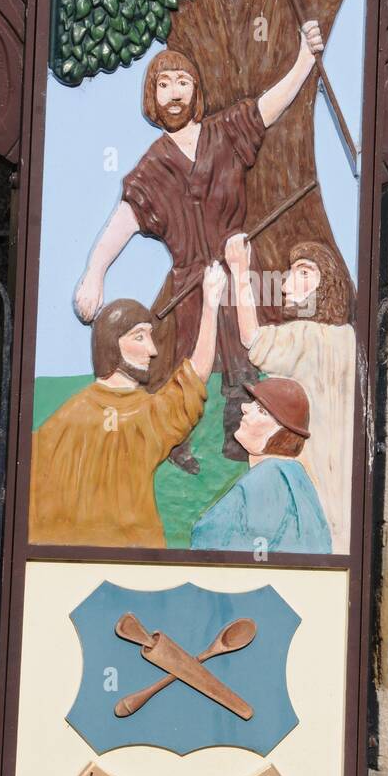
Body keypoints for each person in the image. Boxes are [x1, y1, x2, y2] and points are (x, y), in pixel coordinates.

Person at [73, 21, 325, 468]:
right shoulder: (152, 167)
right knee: (183, 356)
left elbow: (269, 106)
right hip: (190, 279)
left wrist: (305, 58)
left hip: (238, 265)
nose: (174, 93)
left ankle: (237, 435)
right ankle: (174, 440)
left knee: (243, 353)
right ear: (152, 96)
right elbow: (121, 223)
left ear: (195, 91)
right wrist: (94, 274)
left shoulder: (226, 132)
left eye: (182, 83)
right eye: (164, 84)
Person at [30, 263, 226, 548]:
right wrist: (210, 305)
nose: (152, 350)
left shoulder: (66, 418)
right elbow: (195, 377)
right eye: (139, 337)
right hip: (131, 556)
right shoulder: (141, 417)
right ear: (111, 343)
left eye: (149, 337)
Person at [224, 232, 355, 553]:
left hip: (309, 475)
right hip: (340, 481)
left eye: (303, 273)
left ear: (327, 285)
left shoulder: (306, 336)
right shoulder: (347, 339)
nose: (285, 285)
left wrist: (239, 270)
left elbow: (252, 339)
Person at [190, 377, 331, 555]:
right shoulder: (293, 475)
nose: (245, 407)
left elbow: (215, 539)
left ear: (280, 433)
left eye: (261, 410)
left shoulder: (269, 476)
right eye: (254, 404)